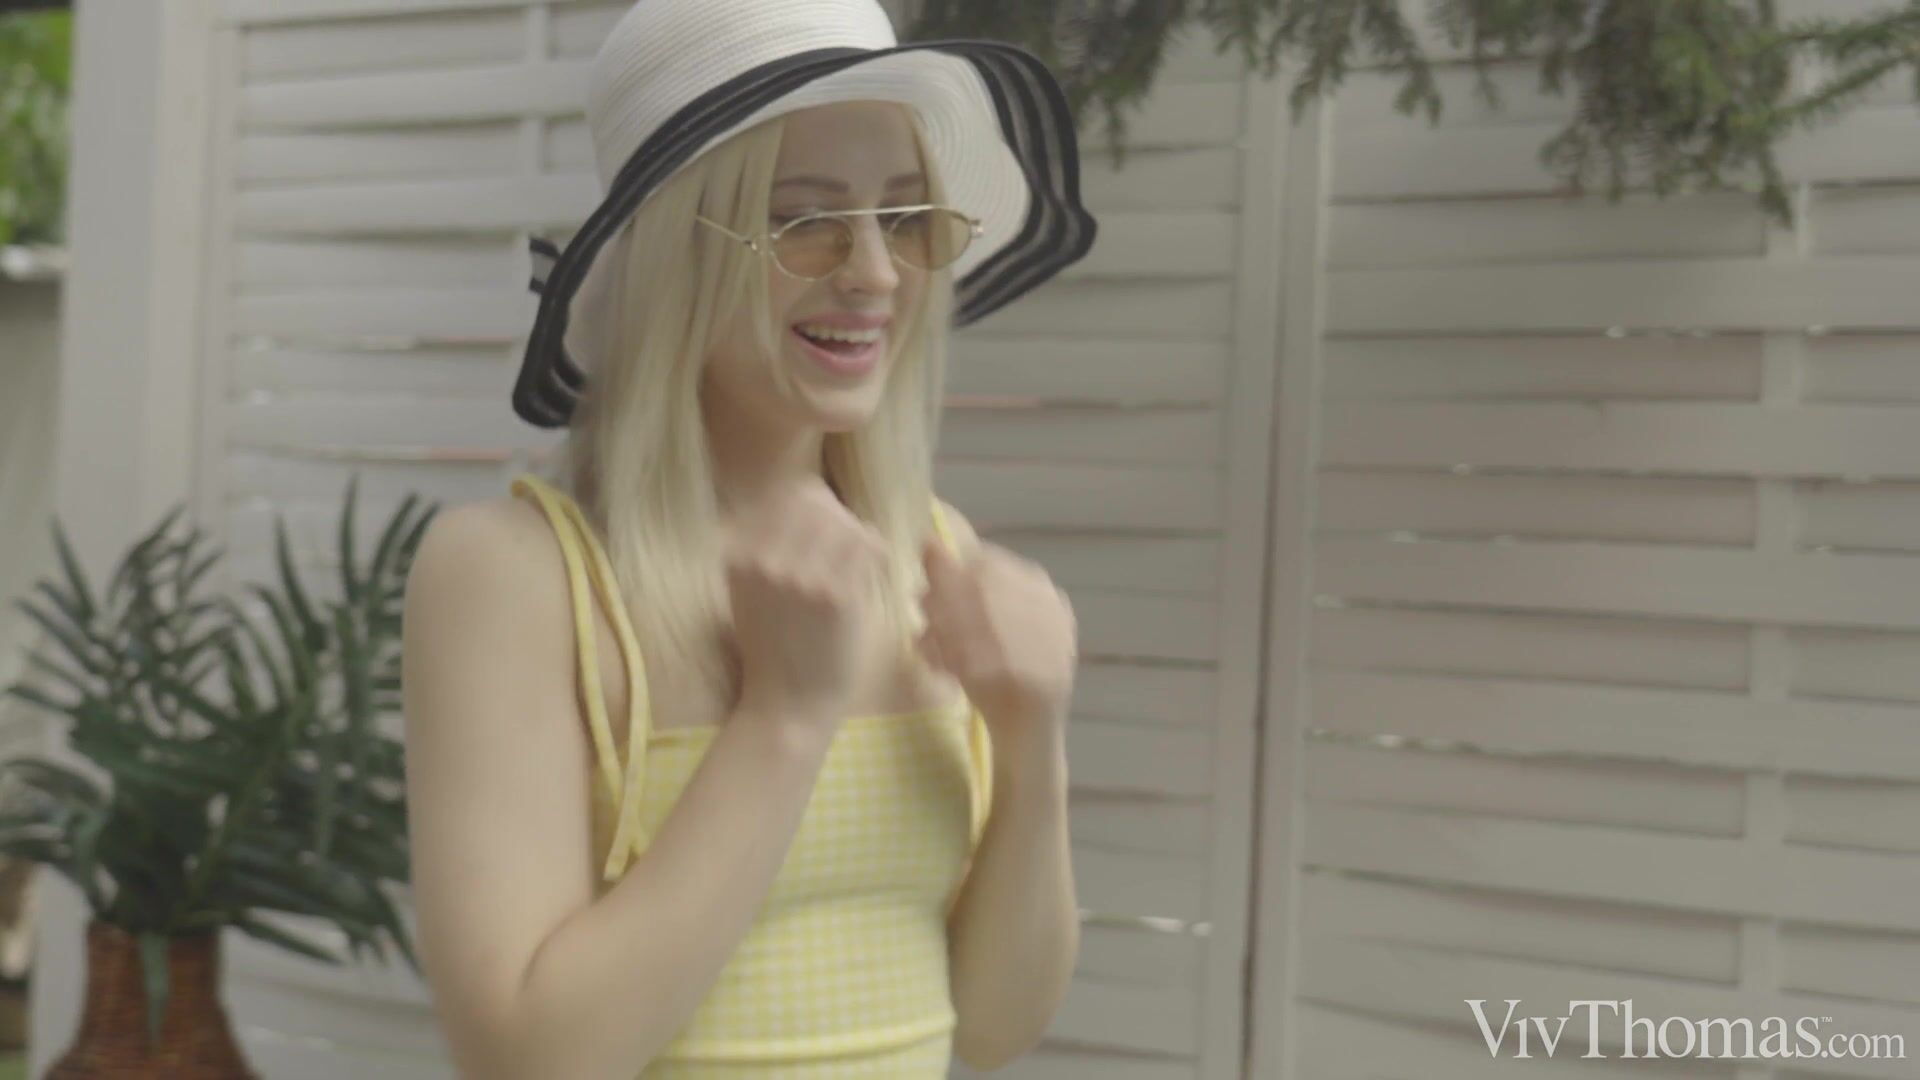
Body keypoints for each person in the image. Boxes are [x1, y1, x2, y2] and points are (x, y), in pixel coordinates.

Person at [399, 1, 1098, 1076]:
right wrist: (785, 717)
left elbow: (994, 1027)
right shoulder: (515, 578)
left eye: (905, 217)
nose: (875, 274)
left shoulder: (935, 559)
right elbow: (527, 1061)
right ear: (675, 256)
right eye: (805, 221)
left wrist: (1033, 732)